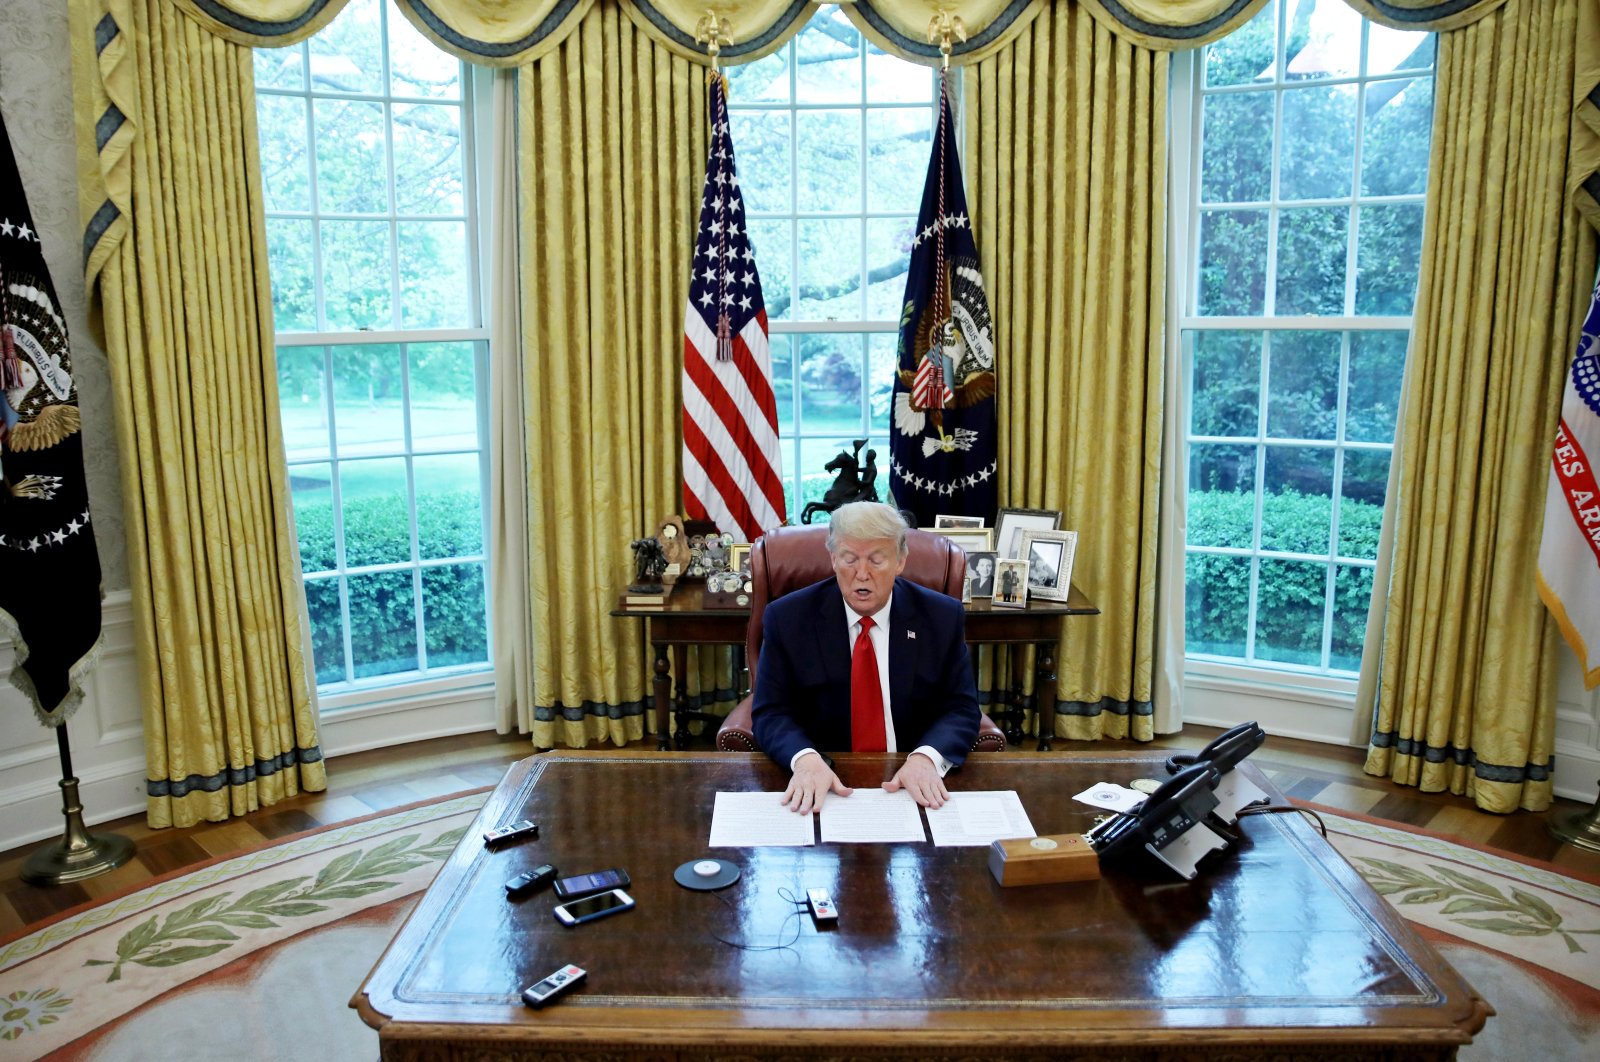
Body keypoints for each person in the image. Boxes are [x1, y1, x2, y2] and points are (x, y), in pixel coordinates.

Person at [751, 502, 980, 814]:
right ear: (832, 559)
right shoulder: (787, 619)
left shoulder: (940, 617)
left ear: (900, 561)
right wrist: (804, 759)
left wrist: (926, 758)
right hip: (821, 783)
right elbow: (771, 711)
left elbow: (961, 708)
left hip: (911, 782)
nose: (862, 574)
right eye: (849, 559)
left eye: (876, 560)